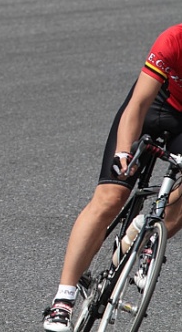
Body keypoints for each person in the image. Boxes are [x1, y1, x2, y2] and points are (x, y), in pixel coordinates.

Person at [42, 23, 182, 331]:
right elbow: (138, 105)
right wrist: (123, 153)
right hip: (154, 106)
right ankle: (62, 300)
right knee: (110, 197)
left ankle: (145, 242)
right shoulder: (172, 39)